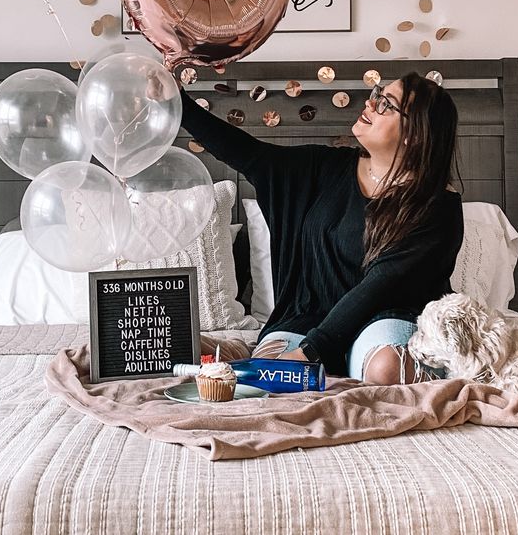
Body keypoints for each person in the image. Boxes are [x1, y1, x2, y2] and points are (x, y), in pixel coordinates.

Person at [179, 71, 464, 383]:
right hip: (309, 317)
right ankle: (244, 349)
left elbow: (381, 285)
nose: (370, 103)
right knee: (272, 374)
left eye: (386, 104)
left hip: (388, 317)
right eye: (377, 95)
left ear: (416, 133)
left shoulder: (437, 207)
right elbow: (248, 154)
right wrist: (178, 104)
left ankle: (246, 352)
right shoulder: (324, 168)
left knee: (386, 369)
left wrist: (311, 352)